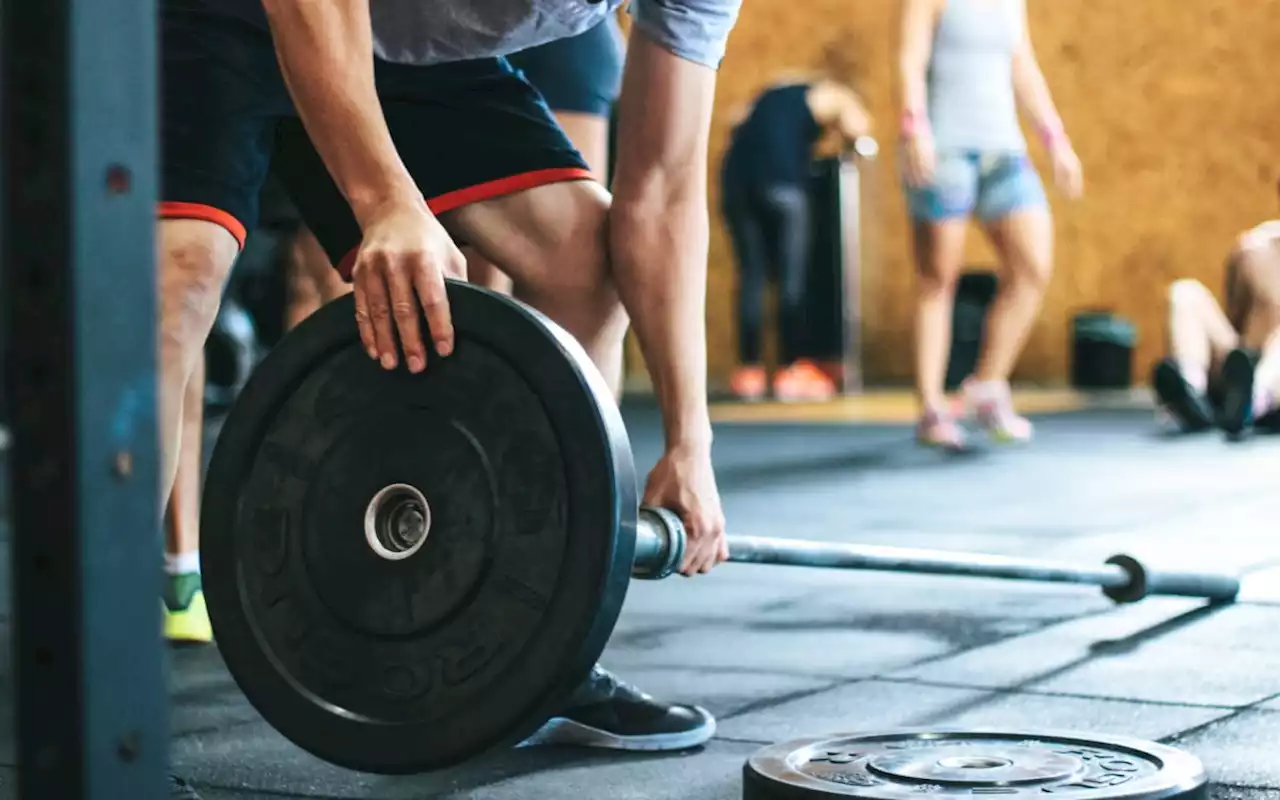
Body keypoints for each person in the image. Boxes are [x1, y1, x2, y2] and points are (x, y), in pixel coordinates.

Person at [157, 0, 739, 793]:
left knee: (583, 266)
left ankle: (535, 653)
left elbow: (664, 194)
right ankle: (101, 694)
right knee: (176, 279)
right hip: (219, 17)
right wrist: (386, 201)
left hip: (401, 54)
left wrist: (689, 438)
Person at [899, 0, 1083, 450]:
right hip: (946, 150)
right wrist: (914, 127)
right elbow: (909, 57)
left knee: (1032, 265)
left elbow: (1022, 66)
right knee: (937, 280)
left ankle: (987, 386)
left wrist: (1055, 139)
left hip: (1003, 151)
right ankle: (931, 409)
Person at [721, 77, 872, 402]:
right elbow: (855, 126)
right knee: (792, 278)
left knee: (752, 276)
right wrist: (854, 139)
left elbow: (732, 120)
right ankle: (793, 368)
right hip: (783, 185)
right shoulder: (831, 95)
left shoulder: (769, 96)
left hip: (737, 184)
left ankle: (750, 371)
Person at [1152, 218, 1280, 437]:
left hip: (1273, 386)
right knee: (1185, 293)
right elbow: (1235, 316)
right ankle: (1191, 391)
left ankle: (1254, 401)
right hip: (1241, 363)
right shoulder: (1253, 248)